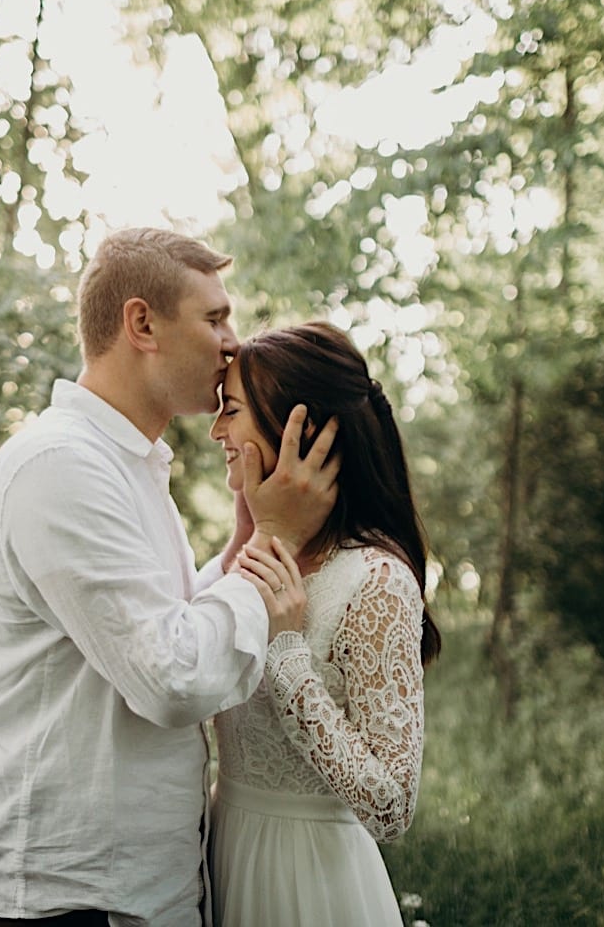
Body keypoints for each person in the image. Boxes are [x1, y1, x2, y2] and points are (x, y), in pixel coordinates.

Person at [0, 228, 340, 927]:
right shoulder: (61, 466)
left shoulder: (128, 468)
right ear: (142, 322)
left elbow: (168, 625)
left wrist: (246, 535)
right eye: (214, 317)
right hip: (55, 900)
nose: (232, 342)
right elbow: (174, 677)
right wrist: (276, 537)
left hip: (128, 893)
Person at [206, 321, 442, 927]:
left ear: (295, 429)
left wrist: (288, 657)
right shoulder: (241, 561)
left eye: (229, 410)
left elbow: (392, 806)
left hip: (309, 883)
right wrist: (247, 531)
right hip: (222, 861)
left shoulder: (374, 579)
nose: (217, 431)